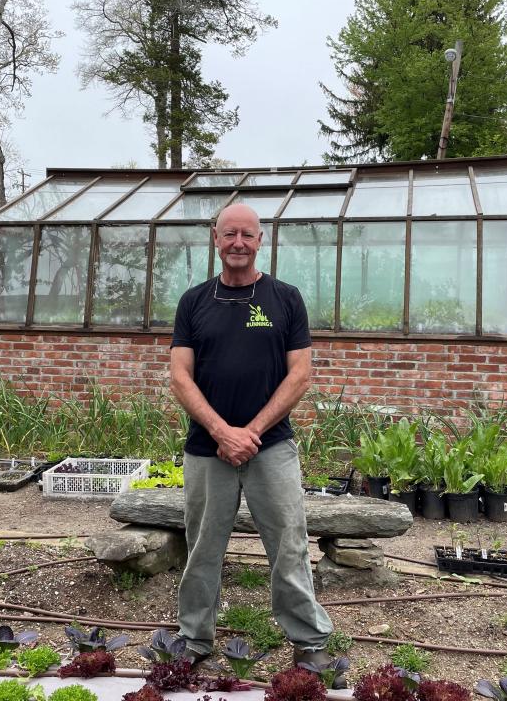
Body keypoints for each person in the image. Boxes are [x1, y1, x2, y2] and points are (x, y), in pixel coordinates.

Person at [169, 203, 337, 674]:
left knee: (289, 542)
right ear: (215, 240)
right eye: (229, 234)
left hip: (271, 447)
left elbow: (300, 375)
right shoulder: (194, 302)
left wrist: (251, 433)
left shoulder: (285, 298)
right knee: (202, 544)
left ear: (261, 240)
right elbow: (180, 378)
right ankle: (194, 636)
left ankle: (308, 639)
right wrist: (222, 432)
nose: (238, 242)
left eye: (247, 234)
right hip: (208, 448)